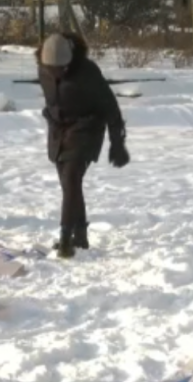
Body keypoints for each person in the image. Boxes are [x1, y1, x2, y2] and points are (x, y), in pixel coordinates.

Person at [37, 33, 130, 259]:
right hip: (58, 130)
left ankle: (66, 238)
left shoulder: (88, 72)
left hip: (87, 128)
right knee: (69, 184)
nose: (55, 73)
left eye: (60, 69)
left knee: (71, 178)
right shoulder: (43, 67)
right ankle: (80, 236)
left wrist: (117, 143)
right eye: (51, 69)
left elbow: (111, 108)